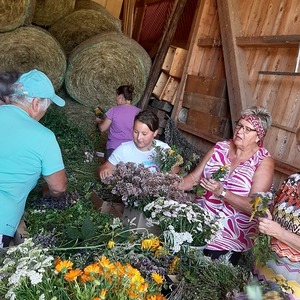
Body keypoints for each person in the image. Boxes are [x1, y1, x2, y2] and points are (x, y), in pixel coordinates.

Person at [178, 106, 274, 265]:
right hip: (197, 227)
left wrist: (222, 192)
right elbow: (194, 178)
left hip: (229, 239)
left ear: (259, 136)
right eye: (239, 125)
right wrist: (167, 183)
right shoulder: (220, 147)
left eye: (247, 129)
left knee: (204, 282)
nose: (240, 131)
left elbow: (255, 206)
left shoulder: (263, 161)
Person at [0, 69, 67, 248]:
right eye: (46, 108)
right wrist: (49, 191)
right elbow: (59, 187)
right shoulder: (44, 137)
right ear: (36, 103)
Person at [253, 127, 300, 299]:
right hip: (264, 269)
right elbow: (275, 216)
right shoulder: (292, 181)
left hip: (293, 285)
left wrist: (279, 232)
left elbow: (278, 230)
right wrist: (267, 217)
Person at [98, 110, 170, 180]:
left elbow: (176, 173)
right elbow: (103, 168)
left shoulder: (164, 149)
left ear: (155, 133)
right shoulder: (123, 149)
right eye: (136, 132)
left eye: (144, 134)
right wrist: (104, 171)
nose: (139, 138)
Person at [96, 85, 141, 159]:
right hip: (131, 150)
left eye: (116, 95)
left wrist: (98, 121)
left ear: (121, 96)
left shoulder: (114, 110)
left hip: (113, 150)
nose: (115, 98)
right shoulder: (139, 112)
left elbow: (102, 128)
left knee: (109, 170)